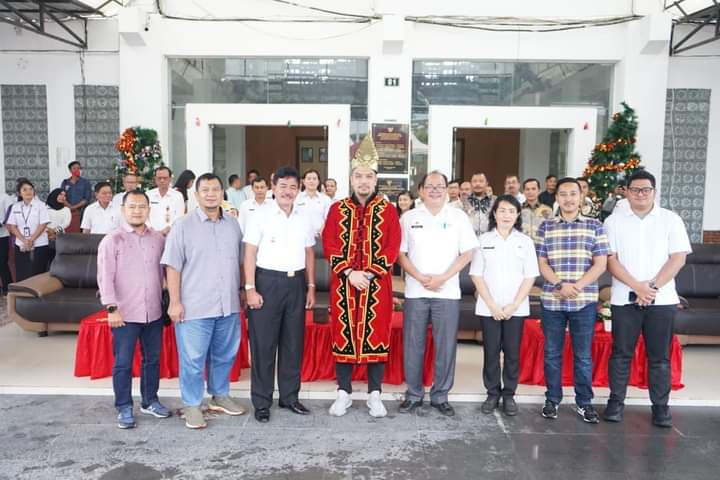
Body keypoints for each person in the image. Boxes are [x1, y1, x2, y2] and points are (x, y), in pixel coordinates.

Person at [603, 170, 691, 428]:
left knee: (660, 357)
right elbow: (610, 260)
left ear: (654, 191)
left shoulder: (670, 220)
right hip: (624, 299)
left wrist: (651, 287)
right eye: (635, 190)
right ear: (626, 192)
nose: (641, 194)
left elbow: (678, 258)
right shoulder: (614, 222)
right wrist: (636, 287)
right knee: (621, 354)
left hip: (661, 300)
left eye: (646, 190)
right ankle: (616, 403)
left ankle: (661, 408)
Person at [322, 135, 401, 418]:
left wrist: (368, 273)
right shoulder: (337, 209)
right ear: (351, 179)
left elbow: (393, 248)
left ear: (375, 179)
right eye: (358, 176)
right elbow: (329, 244)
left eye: (369, 176)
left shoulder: (388, 211)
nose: (364, 181)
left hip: (377, 286)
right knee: (343, 338)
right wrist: (349, 272)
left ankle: (374, 394)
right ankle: (344, 392)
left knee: (376, 338)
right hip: (343, 286)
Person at [161, 173, 245, 429]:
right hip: (195, 306)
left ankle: (220, 395)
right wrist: (174, 302)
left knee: (224, 355)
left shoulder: (232, 224)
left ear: (222, 193)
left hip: (228, 304)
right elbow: (172, 266)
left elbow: (240, 261)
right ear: (196, 195)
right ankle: (192, 404)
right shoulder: (183, 226)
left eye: (215, 189)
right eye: (205, 190)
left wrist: (242, 290)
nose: (211, 194)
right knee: (193, 359)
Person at [398, 171, 477, 417]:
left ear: (446, 190)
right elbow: (400, 254)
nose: (434, 190)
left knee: (445, 346)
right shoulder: (408, 217)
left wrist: (443, 277)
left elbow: (467, 253)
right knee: (413, 345)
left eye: (439, 186)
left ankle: (440, 395)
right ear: (420, 190)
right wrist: (420, 277)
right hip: (415, 290)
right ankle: (413, 394)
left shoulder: (458, 217)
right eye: (429, 186)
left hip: (447, 291)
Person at [244, 166, 316, 423]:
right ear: (273, 187)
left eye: (293, 187)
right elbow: (250, 253)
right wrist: (250, 289)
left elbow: (309, 253)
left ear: (299, 190)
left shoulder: (303, 216)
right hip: (267, 283)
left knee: (292, 344)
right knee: (264, 345)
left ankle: (289, 396)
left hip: (296, 283)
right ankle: (262, 401)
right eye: (283, 186)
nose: (288, 191)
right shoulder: (260, 215)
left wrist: (310, 286)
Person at [536, 177, 609, 423]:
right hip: (552, 300)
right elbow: (541, 262)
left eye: (573, 194)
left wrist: (575, 287)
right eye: (563, 194)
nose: (568, 199)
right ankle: (552, 399)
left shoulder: (595, 226)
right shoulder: (545, 226)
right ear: (556, 198)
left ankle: (584, 402)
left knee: (583, 355)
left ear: (581, 197)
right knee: (552, 353)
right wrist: (559, 284)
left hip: (584, 300)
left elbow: (600, 264)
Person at [97, 189, 170, 429]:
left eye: (142, 206)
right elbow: (104, 277)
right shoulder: (112, 240)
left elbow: (164, 273)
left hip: (154, 312)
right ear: (123, 210)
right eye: (132, 207)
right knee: (123, 363)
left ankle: (150, 401)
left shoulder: (158, 239)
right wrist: (111, 308)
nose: (137, 211)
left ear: (149, 210)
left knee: (152, 360)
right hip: (124, 314)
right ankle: (124, 406)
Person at [471, 195, 538, 416]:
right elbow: (477, 275)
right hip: (488, 307)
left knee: (511, 353)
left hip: (515, 309)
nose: (506, 215)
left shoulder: (525, 242)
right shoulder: (483, 240)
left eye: (511, 211)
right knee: (491, 352)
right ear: (495, 213)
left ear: (517, 214)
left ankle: (509, 394)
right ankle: (492, 393)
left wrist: (513, 305)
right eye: (502, 210)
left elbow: (529, 277)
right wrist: (492, 305)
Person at [6, 179, 50, 281]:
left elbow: (43, 224)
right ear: (19, 193)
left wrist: (31, 240)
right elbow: (12, 226)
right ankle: (23, 296)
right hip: (21, 244)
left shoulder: (41, 205)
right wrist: (24, 240)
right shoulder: (15, 207)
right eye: (24, 190)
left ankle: (37, 296)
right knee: (22, 272)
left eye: (31, 189)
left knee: (37, 273)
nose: (28, 192)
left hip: (39, 244)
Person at [148, 166, 186, 235]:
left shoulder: (177, 196)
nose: (162, 180)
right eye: (159, 178)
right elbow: (144, 215)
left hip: (171, 234)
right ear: (155, 179)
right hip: (151, 234)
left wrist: (168, 228)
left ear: (170, 179)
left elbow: (180, 216)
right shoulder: (148, 195)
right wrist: (150, 229)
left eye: (165, 178)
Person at [295, 169, 331, 236]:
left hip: (319, 236)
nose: (311, 181)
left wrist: (322, 230)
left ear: (318, 181)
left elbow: (329, 218)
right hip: (300, 237)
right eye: (309, 178)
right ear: (303, 181)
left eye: (314, 179)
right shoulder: (296, 198)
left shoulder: (325, 199)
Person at [60, 161, 92, 233]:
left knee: (81, 233)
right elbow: (62, 197)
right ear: (70, 170)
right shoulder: (65, 182)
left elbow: (86, 199)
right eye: (74, 168)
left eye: (78, 168)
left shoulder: (85, 182)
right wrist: (70, 207)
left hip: (82, 212)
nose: (77, 170)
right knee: (69, 232)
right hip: (68, 212)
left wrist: (74, 207)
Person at [520, 178, 553, 244]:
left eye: (533, 189)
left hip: (541, 247)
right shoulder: (518, 210)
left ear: (539, 191)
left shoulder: (547, 210)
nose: (530, 192)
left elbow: (551, 231)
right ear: (523, 192)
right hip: (522, 247)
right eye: (527, 189)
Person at [45, 188, 72, 268]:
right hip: (45, 238)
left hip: (60, 238)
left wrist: (54, 232)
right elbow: (41, 223)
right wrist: (48, 231)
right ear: (54, 195)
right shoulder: (44, 208)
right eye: (60, 194)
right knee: (46, 263)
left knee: (59, 263)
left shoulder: (66, 210)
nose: (63, 197)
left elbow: (66, 223)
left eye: (64, 195)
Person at [462, 172, 496, 236]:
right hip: (469, 240)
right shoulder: (463, 202)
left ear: (486, 184)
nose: (478, 184)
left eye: (481, 181)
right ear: (471, 184)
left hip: (490, 239)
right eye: (474, 181)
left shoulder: (495, 201)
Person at [0, 191, 16, 294]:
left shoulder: (5, 197)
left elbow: (10, 215)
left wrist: (1, 223)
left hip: (2, 235)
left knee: (2, 262)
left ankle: (7, 288)